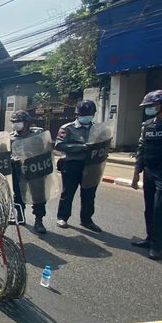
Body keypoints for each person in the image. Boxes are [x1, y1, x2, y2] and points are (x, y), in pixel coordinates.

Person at [132, 90, 162, 260]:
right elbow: (141, 149)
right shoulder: (147, 126)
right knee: (149, 208)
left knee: (160, 209)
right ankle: (150, 238)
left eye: (153, 105)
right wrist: (136, 173)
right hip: (149, 171)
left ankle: (157, 245)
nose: (150, 109)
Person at [55, 99, 103, 232]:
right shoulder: (67, 128)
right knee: (68, 192)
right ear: (77, 114)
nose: (86, 116)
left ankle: (87, 220)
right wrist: (81, 147)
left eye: (89, 113)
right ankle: (62, 217)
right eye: (83, 114)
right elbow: (59, 145)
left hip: (91, 166)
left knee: (89, 194)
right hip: (72, 164)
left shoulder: (97, 128)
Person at [9, 110, 48, 233]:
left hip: (35, 169)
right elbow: (8, 154)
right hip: (18, 170)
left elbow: (45, 148)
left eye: (18, 122)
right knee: (18, 194)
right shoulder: (11, 137)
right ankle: (20, 216)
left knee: (38, 195)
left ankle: (39, 220)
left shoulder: (38, 134)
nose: (16, 124)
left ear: (26, 123)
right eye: (14, 122)